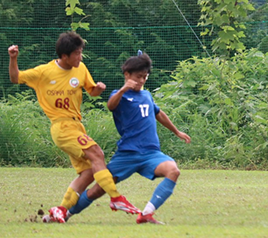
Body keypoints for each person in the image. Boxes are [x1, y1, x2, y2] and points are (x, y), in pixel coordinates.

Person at [8, 31, 140, 223]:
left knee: (88, 172)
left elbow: (91, 91)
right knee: (97, 153)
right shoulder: (44, 72)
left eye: (80, 52)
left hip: (77, 126)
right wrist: (14, 58)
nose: (80, 57)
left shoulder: (81, 68)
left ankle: (59, 210)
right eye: (76, 54)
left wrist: (98, 89)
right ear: (64, 56)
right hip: (61, 127)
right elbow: (15, 78)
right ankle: (116, 198)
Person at [65, 51, 191, 224]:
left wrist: (177, 132)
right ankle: (65, 214)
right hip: (127, 154)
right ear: (127, 74)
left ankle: (146, 214)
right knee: (97, 190)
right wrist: (124, 89)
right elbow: (111, 105)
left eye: (145, 77)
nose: (141, 81)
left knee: (173, 171)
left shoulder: (146, 95)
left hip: (150, 154)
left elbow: (158, 113)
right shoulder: (119, 94)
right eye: (138, 77)